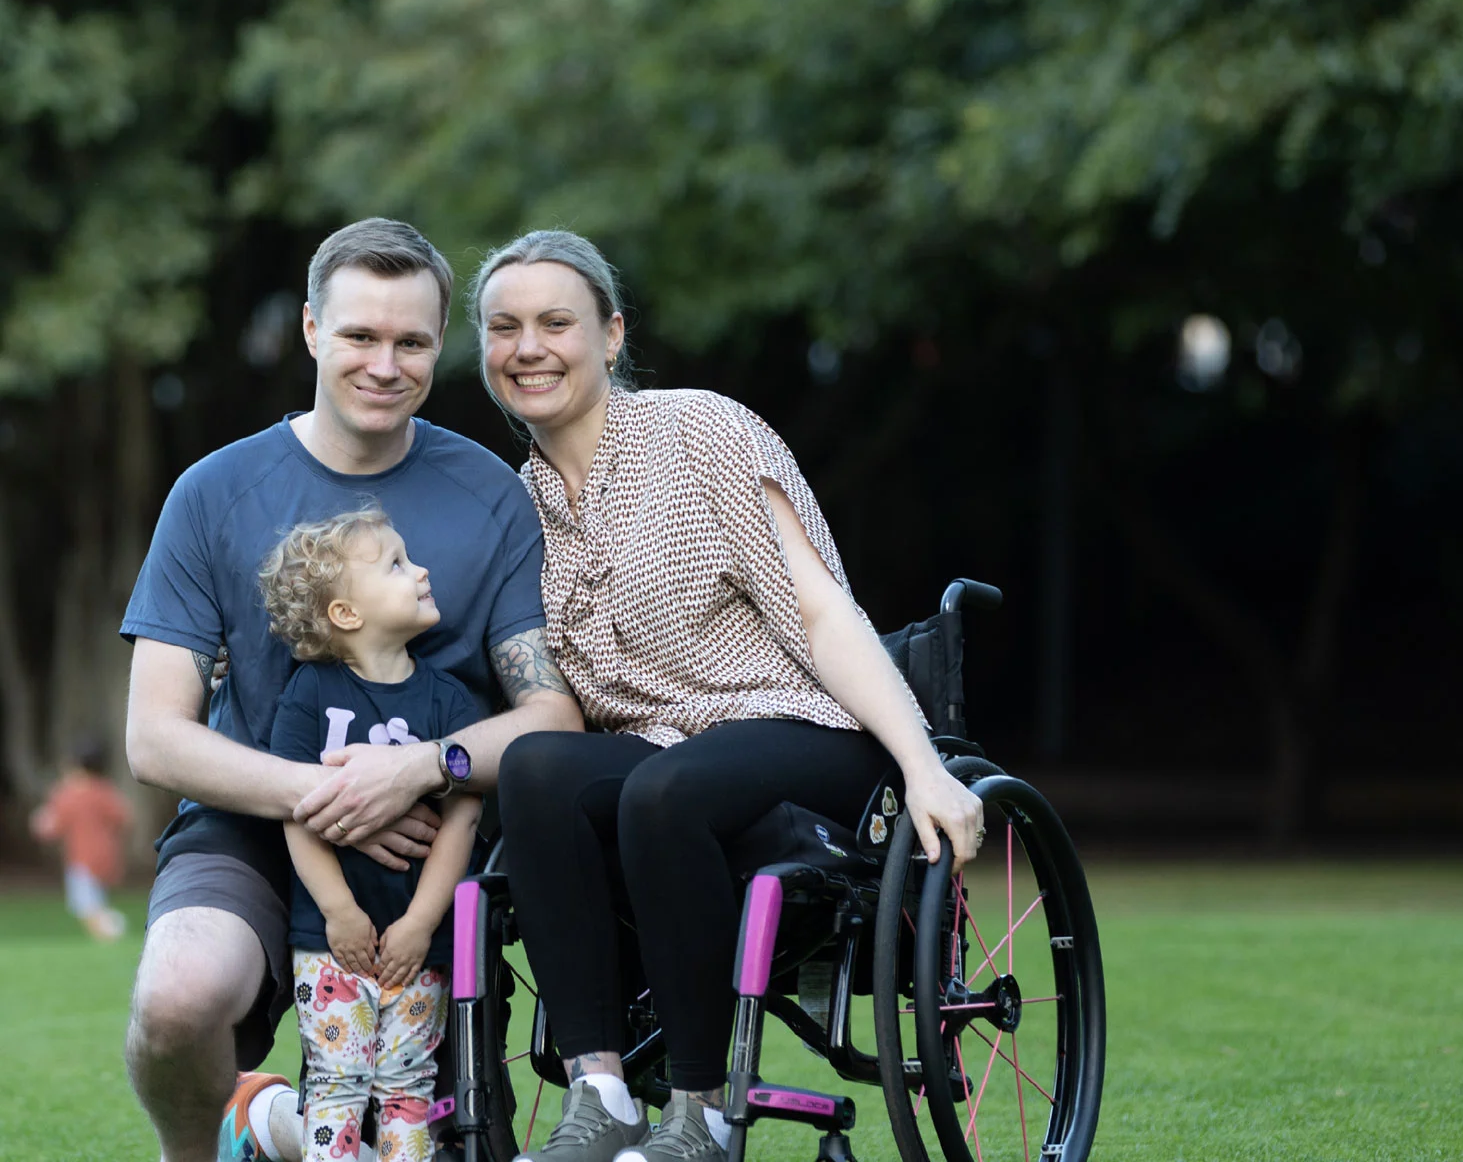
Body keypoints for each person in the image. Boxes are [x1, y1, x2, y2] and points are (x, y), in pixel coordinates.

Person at [470, 229, 987, 1162]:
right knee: (540, 769)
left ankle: (703, 1112)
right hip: (655, 761)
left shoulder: (698, 429)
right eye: (504, 328)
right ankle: (601, 1095)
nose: (529, 347)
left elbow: (822, 609)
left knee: (665, 791)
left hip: (799, 728)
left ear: (612, 333)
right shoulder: (522, 504)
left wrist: (923, 764)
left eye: (556, 322)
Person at [120, 218, 583, 1162]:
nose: (386, 363)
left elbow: (550, 712)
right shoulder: (213, 493)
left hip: (431, 845)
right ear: (309, 331)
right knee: (175, 1001)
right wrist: (330, 796)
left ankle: (283, 1122)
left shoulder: (490, 493)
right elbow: (155, 739)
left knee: (407, 1122)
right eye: (360, 336)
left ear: (438, 344)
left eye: (411, 341)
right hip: (251, 821)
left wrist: (418, 769)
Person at [260, 507, 484, 1162]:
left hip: (420, 941)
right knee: (335, 1082)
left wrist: (421, 922)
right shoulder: (311, 695)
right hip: (334, 942)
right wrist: (338, 911)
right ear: (346, 616)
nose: (419, 570)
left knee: (410, 1087)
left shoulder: (450, 704)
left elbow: (463, 818)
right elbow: (294, 809)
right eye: (394, 563)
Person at [30, 740, 134, 941]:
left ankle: (112, 932)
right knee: (93, 901)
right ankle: (110, 929)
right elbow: (124, 818)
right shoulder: (104, 791)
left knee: (85, 905)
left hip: (82, 858)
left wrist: (38, 820)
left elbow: (49, 827)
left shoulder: (68, 794)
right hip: (106, 855)